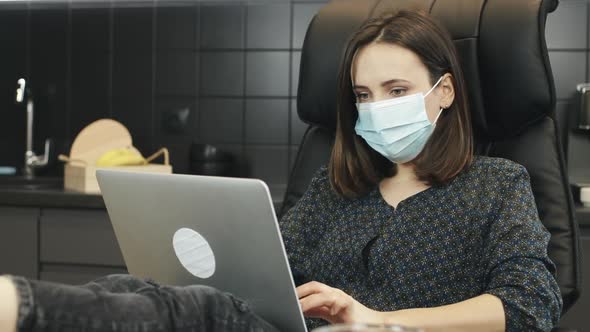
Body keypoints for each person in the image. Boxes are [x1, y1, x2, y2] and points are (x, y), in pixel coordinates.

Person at [0, 9, 561, 332]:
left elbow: (529, 305)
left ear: (444, 92)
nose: (377, 106)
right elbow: (265, 276)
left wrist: (377, 321)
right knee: (143, 287)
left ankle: (18, 308)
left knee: (201, 310)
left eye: (397, 90)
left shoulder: (496, 185)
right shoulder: (338, 186)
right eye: (364, 94)